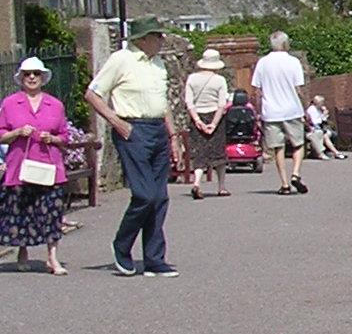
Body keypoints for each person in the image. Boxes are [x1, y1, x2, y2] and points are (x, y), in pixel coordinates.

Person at [86, 19, 177, 277]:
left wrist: (172, 136)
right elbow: (93, 94)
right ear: (142, 38)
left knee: (159, 197)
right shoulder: (121, 60)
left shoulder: (158, 64)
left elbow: (162, 102)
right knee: (144, 194)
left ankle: (154, 258)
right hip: (133, 129)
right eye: (157, 35)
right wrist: (116, 121)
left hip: (157, 128)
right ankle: (122, 245)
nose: (161, 40)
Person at [0, 56, 71, 274]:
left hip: (49, 168)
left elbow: (65, 136)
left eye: (36, 73)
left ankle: (52, 258)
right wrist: (16, 133)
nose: (32, 77)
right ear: (21, 78)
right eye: (27, 74)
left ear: (43, 77)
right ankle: (23, 253)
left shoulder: (55, 105)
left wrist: (53, 139)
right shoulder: (10, 103)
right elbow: (1, 134)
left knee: (51, 213)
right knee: (22, 211)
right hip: (19, 167)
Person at [250, 31, 309, 196]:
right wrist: (304, 107)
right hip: (292, 109)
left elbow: (257, 91)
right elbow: (299, 89)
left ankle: (284, 183)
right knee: (298, 144)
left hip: (271, 111)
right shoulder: (293, 62)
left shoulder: (262, 63)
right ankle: (295, 173)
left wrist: (258, 110)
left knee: (278, 148)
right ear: (285, 44)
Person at [182, 47, 232, 199]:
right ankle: (221, 186)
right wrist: (214, 124)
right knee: (218, 153)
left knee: (199, 152)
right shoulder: (219, 80)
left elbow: (188, 102)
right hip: (215, 116)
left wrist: (197, 120)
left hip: (197, 116)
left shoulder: (192, 79)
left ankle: (196, 183)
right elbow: (221, 104)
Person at [303, 94, 343, 160]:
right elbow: (315, 122)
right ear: (318, 103)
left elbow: (322, 120)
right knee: (322, 134)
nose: (323, 104)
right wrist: (323, 115)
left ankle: (335, 152)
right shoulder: (312, 109)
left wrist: (324, 115)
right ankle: (322, 153)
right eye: (322, 102)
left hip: (319, 128)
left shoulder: (318, 109)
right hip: (312, 129)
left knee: (327, 134)